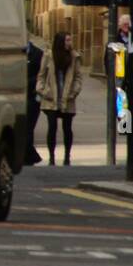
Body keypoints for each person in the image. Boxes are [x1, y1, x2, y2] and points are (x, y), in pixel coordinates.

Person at [36, 31, 83, 165]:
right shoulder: (49, 55)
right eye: (67, 40)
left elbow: (78, 77)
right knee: (52, 127)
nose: (69, 43)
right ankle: (51, 157)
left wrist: (74, 92)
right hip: (51, 97)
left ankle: (67, 156)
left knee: (67, 128)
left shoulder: (74, 56)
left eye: (70, 40)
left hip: (67, 97)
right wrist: (42, 90)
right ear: (60, 41)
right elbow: (41, 75)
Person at [24, 39, 44, 165]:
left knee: (28, 127)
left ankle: (29, 156)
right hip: (17, 95)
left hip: (32, 95)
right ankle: (30, 156)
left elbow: (40, 75)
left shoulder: (38, 54)